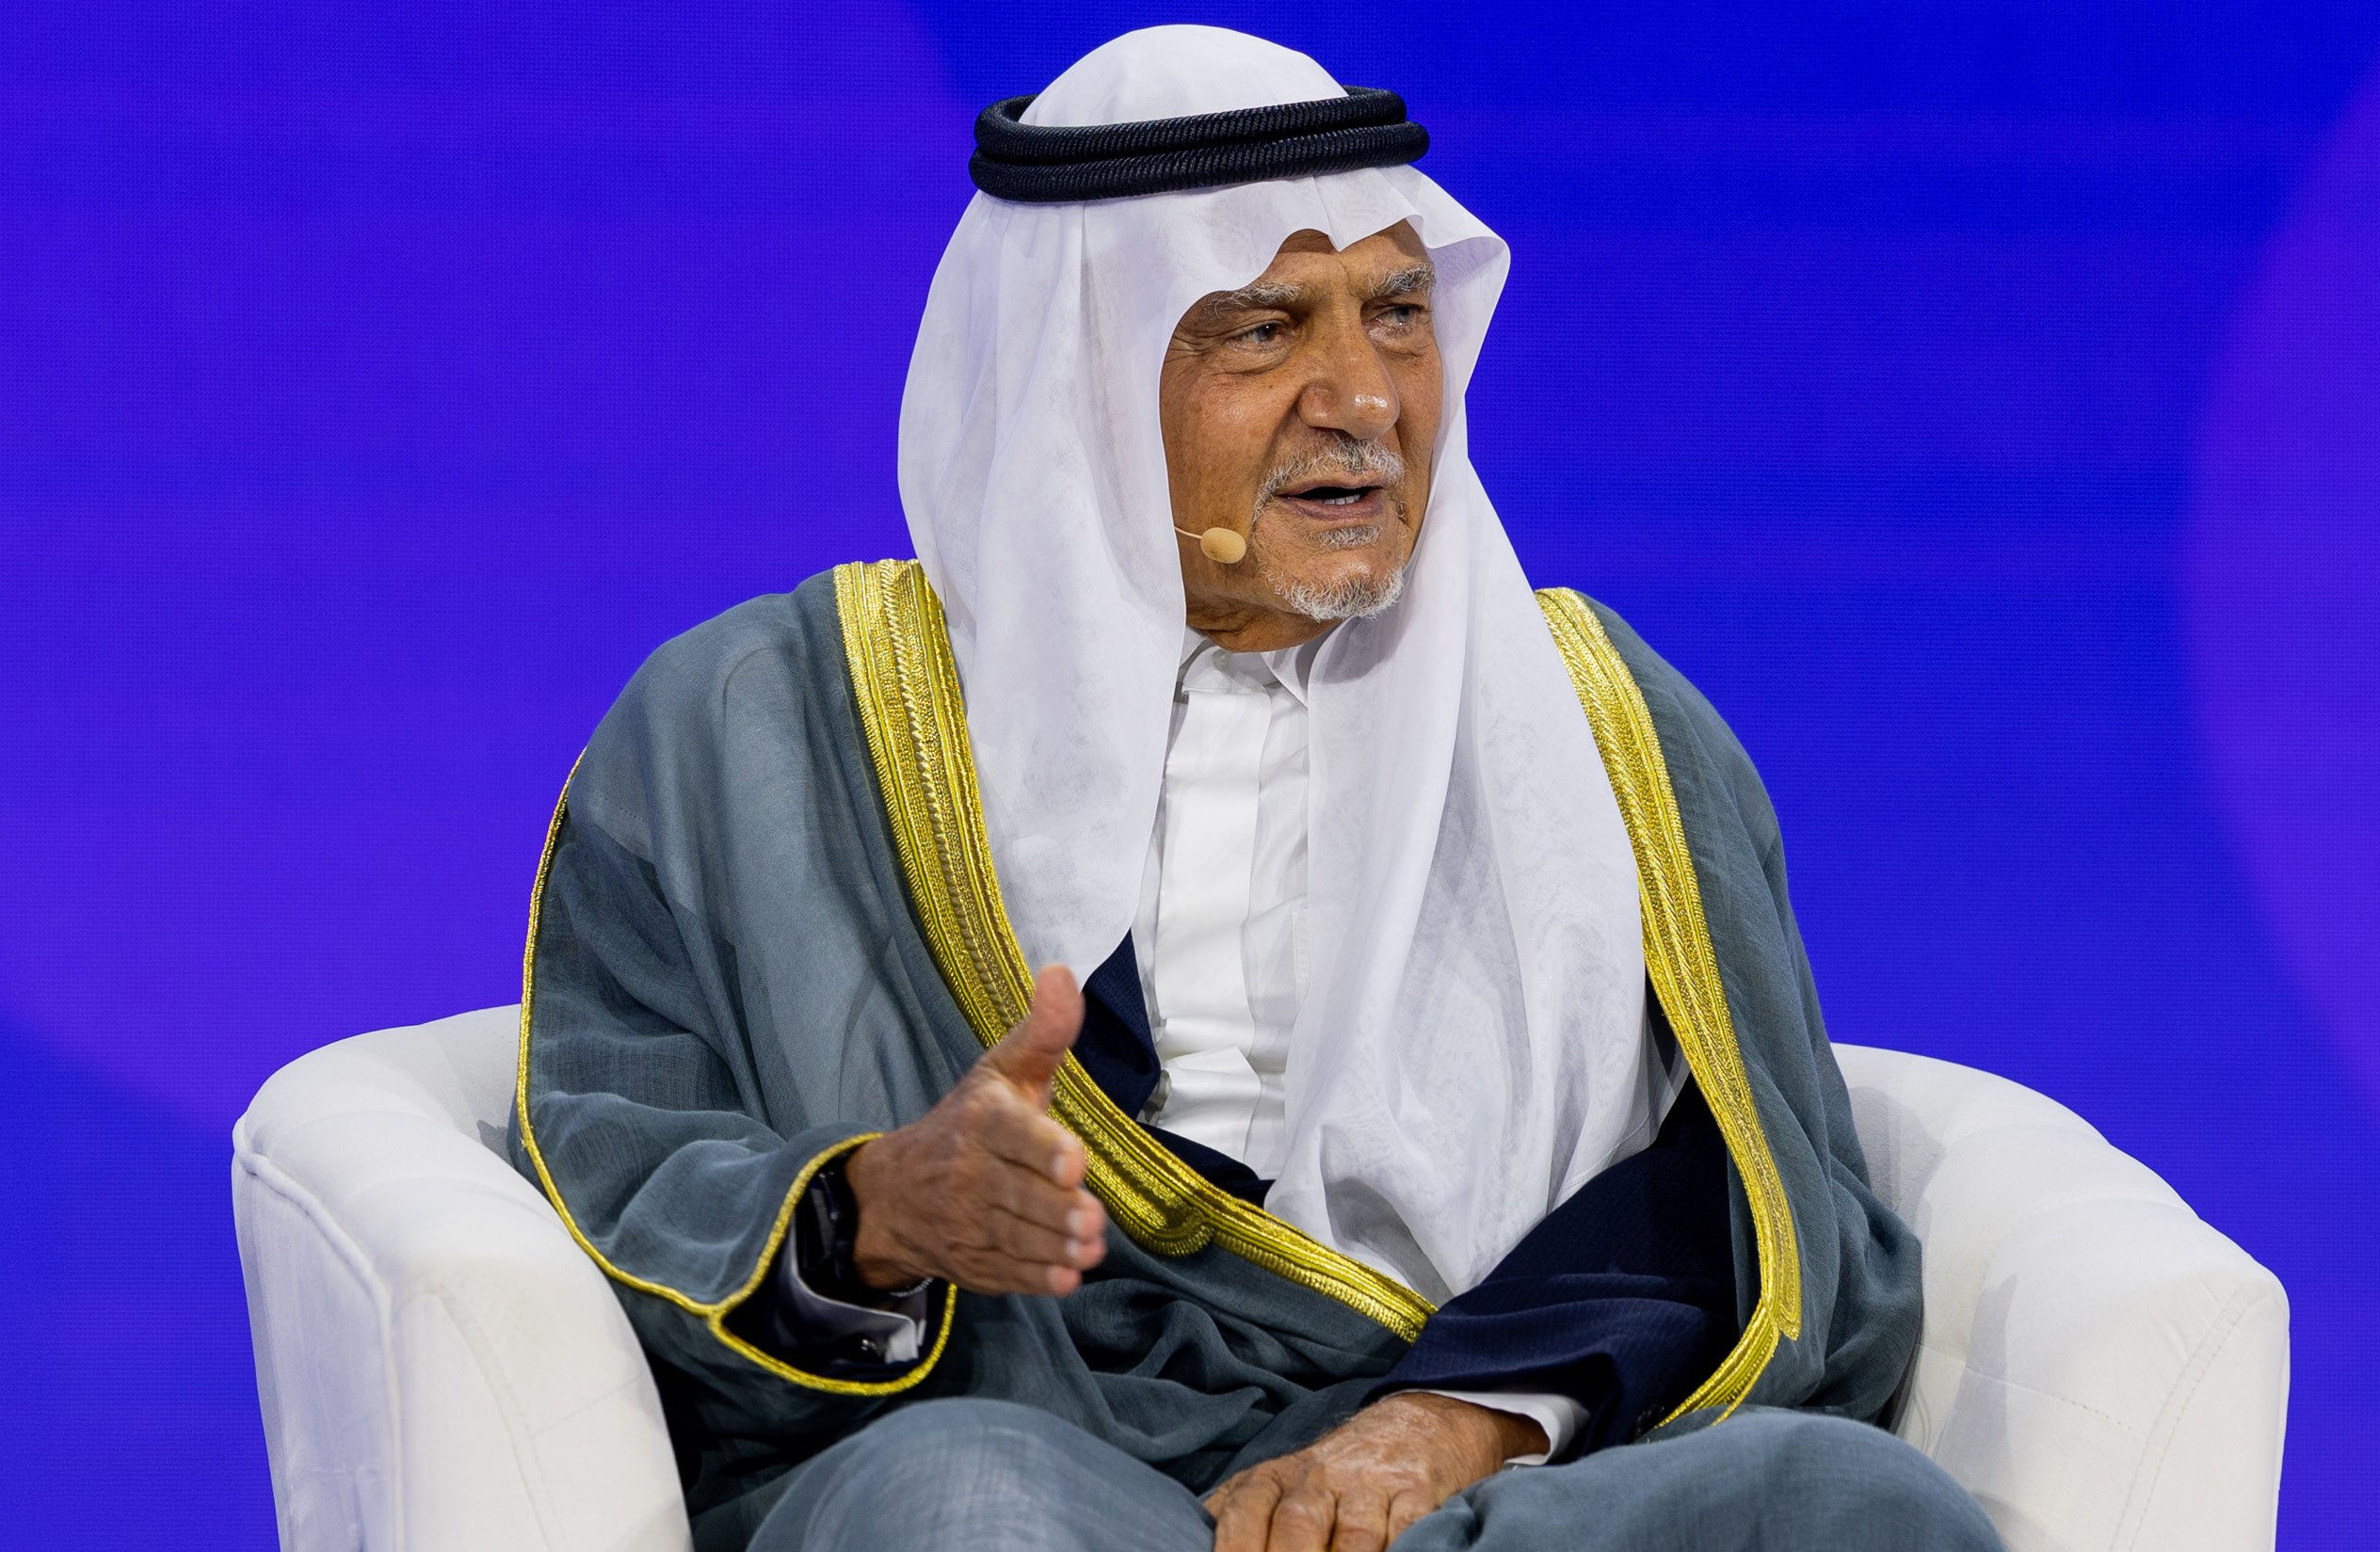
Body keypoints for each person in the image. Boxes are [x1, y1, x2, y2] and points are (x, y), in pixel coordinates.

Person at [509, 25, 2002, 1552]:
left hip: (1487, 1472)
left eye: (1399, 314)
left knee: (1851, 1503)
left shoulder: (1607, 722)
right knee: (965, 1507)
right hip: (1031, 1448)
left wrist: (1459, 1417)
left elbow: (1755, 1190)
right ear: (1082, 371)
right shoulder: (755, 726)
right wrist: (874, 1211)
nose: (1364, 398)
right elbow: (618, 1142)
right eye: (1265, 329)